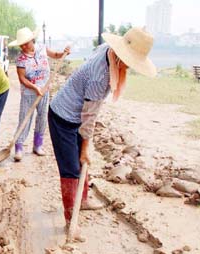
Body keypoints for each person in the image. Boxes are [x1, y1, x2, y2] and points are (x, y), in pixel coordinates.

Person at [48, 27, 157, 240]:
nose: (130, 67)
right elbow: (90, 116)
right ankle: (71, 220)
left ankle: (84, 200)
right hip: (63, 116)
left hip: (78, 113)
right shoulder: (101, 76)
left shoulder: (107, 49)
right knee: (71, 167)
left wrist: (85, 148)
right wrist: (85, 147)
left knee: (83, 161)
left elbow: (88, 115)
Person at [8, 27, 70, 162]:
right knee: (24, 119)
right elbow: (22, 79)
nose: (24, 46)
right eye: (21, 44)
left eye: (26, 43)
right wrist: (35, 87)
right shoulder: (21, 59)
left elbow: (55, 55)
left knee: (42, 118)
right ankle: (19, 148)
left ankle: (38, 145)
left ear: (32, 40)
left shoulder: (41, 48)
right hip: (29, 93)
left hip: (44, 90)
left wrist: (63, 53)